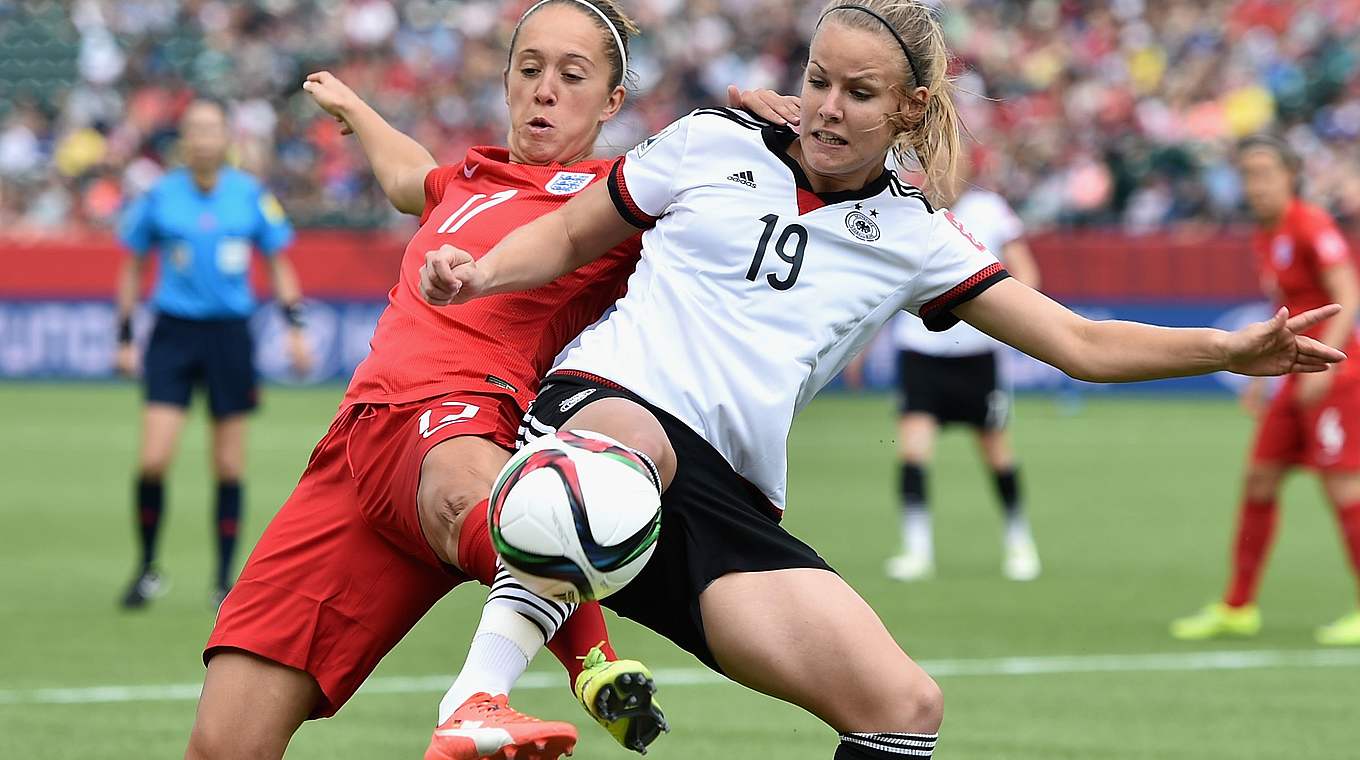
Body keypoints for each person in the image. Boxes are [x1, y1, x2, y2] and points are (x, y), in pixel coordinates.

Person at [420, 2, 1345, 757]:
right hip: (601, 414)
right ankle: (473, 702)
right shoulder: (711, 139)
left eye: (858, 94)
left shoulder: (913, 235)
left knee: (903, 705)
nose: (826, 107)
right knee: (616, 472)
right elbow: (575, 234)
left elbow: (1079, 343)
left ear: (907, 110)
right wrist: (481, 270)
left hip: (727, 494)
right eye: (818, 80)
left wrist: (1225, 351)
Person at [182, 2, 799, 759]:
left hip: (461, 419)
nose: (544, 89)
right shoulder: (467, 179)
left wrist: (771, 135)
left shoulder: (619, 198)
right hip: (352, 453)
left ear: (612, 102)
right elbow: (409, 175)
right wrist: (357, 110)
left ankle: (563, 674)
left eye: (572, 76)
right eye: (529, 68)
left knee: (478, 500)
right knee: (225, 739)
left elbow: (742, 213)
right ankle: (592, 668)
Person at [115, 98, 312, 610]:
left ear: (227, 138)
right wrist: (124, 335)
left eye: (212, 129)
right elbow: (133, 265)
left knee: (227, 465)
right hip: (173, 336)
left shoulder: (250, 196)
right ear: (184, 139)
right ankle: (147, 569)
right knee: (154, 459)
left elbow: (279, 262)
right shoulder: (160, 195)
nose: (204, 138)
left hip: (229, 336)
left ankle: (224, 582)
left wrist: (295, 328)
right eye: (195, 129)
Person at [1171, 135, 1360, 646]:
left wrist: (1327, 372)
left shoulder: (1310, 223)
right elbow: (1284, 315)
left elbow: (1347, 294)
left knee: (1344, 488)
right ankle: (1238, 607)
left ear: (1290, 175)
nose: (1254, 184)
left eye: (1264, 172)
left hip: (1334, 377)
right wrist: (1260, 379)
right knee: (1259, 481)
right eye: (1247, 173)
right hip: (1294, 375)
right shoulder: (1265, 232)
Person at [878, 158, 1043, 582]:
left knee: (996, 453)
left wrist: (1008, 312)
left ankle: (1019, 541)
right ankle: (916, 550)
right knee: (913, 450)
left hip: (975, 356)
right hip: (921, 354)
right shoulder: (907, 207)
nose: (939, 176)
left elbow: (1026, 272)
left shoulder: (990, 210)